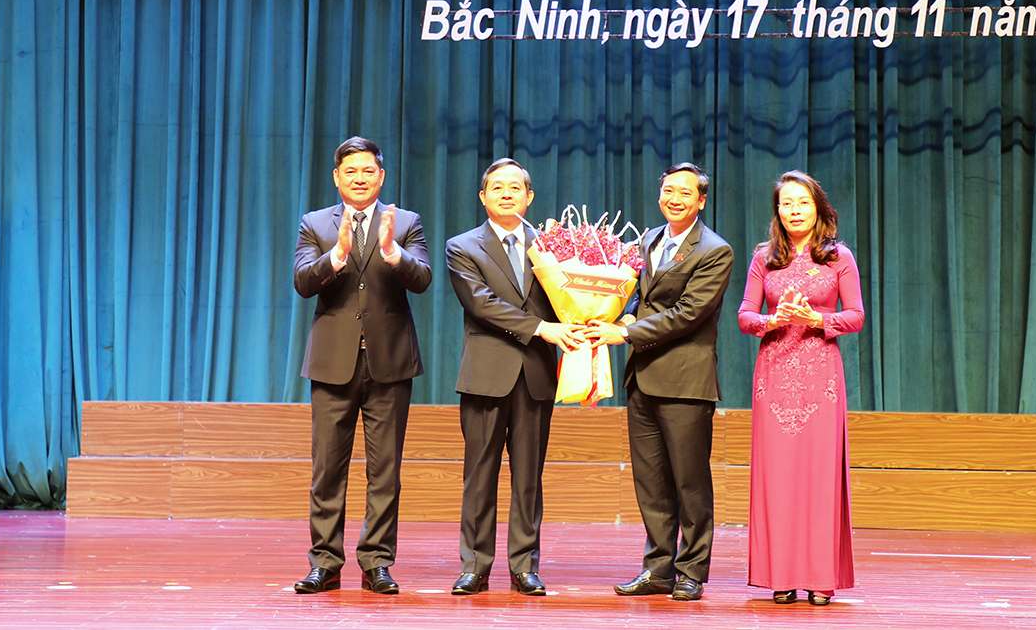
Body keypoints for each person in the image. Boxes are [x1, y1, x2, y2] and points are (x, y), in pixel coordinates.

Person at [587, 162, 734, 602]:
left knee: (690, 482)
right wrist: (621, 315)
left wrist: (625, 333)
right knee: (650, 482)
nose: (675, 199)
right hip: (642, 379)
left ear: (701, 201)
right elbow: (639, 295)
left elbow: (688, 313)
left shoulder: (714, 250)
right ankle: (658, 569)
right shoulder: (649, 239)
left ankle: (692, 571)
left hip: (685, 382)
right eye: (669, 190)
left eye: (685, 193)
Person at [291, 136, 432, 595]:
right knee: (327, 471)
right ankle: (325, 563)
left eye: (368, 170)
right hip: (333, 363)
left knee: (384, 471)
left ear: (381, 176)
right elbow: (303, 282)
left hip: (390, 363)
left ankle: (377, 563)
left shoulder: (405, 222)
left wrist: (393, 253)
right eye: (350, 171)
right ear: (337, 177)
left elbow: (423, 278)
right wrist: (336, 256)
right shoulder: (315, 223)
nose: (359, 178)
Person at [445, 158, 585, 597]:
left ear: (529, 197)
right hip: (486, 375)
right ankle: (474, 565)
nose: (506, 194)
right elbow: (481, 303)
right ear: (483, 197)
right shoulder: (462, 246)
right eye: (497, 187)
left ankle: (525, 566)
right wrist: (542, 329)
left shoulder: (552, 247)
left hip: (535, 374)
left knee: (528, 478)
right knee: (479, 475)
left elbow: (572, 299)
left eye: (515, 188)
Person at [736, 170, 865, 606]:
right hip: (773, 377)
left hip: (820, 377)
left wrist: (818, 320)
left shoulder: (838, 257)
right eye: (786, 203)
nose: (794, 210)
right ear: (777, 211)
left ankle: (820, 576)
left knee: (818, 477)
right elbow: (745, 315)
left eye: (802, 202)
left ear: (818, 208)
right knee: (778, 479)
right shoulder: (764, 258)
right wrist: (771, 320)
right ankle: (781, 575)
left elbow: (856, 315)